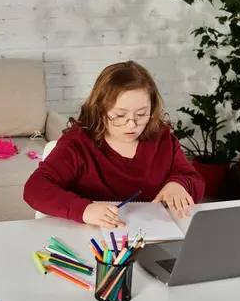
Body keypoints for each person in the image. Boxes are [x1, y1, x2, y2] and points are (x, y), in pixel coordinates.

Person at [23, 61, 205, 229]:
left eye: (141, 114)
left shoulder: (162, 137)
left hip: (152, 235)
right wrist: (84, 209)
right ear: (100, 110)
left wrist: (179, 185)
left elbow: (193, 179)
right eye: (119, 116)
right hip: (93, 239)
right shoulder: (78, 144)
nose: (132, 125)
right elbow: (34, 189)